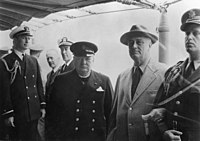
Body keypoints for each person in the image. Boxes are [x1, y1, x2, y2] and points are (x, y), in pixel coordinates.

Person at [146, 8, 200, 141]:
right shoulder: (173, 72)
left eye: (196, 33)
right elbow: (157, 111)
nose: (189, 38)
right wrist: (164, 133)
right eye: (187, 34)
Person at [107, 24, 167, 141]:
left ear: (150, 44)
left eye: (139, 42)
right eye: (130, 43)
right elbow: (113, 119)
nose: (134, 46)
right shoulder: (122, 77)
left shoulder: (164, 73)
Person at [46, 41, 114, 141]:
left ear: (93, 59)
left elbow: (111, 116)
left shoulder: (103, 81)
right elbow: (52, 116)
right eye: (79, 59)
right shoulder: (61, 81)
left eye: (88, 59)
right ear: (74, 59)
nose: (83, 63)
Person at [0, 25, 46, 141]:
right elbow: (4, 90)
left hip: (33, 112)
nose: (27, 40)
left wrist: (42, 105)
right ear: (15, 40)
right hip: (17, 113)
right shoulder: (5, 62)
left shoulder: (33, 60)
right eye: (23, 37)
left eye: (28, 38)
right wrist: (9, 113)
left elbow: (39, 85)